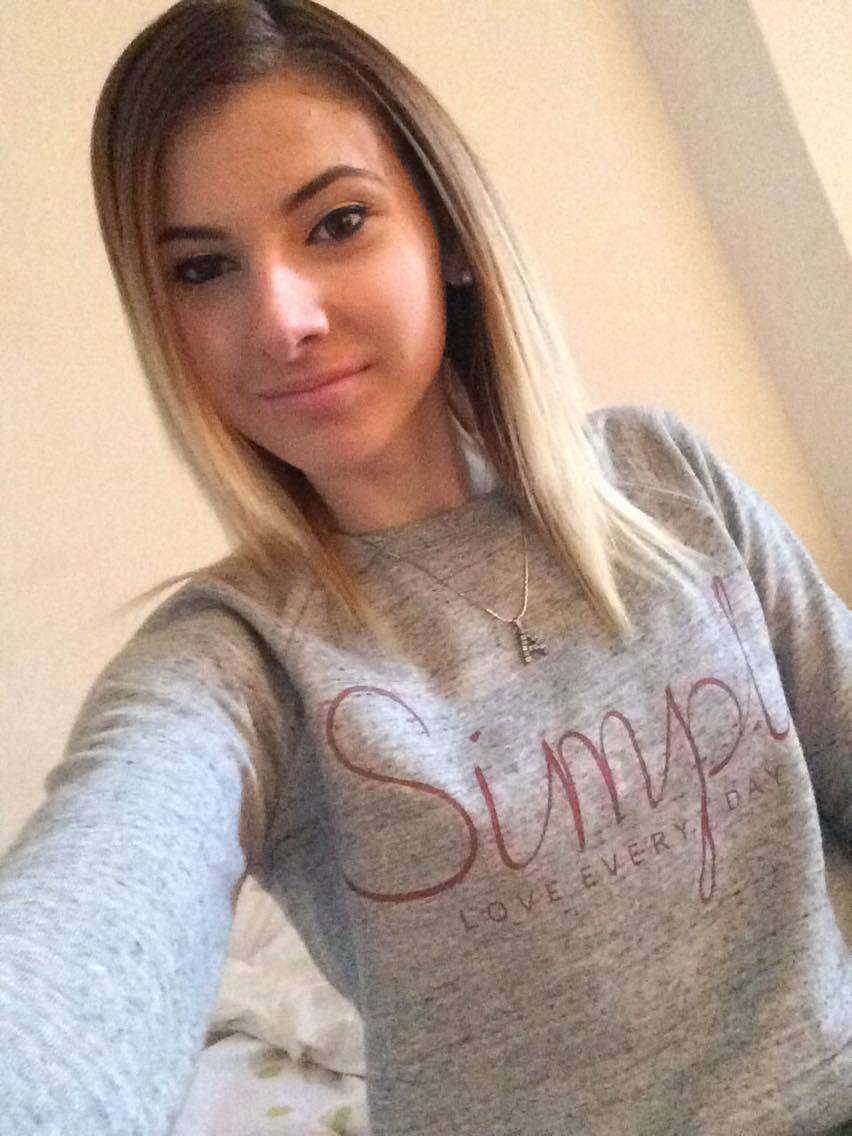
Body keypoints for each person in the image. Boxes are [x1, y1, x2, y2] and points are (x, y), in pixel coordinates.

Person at [0, 1, 850, 1133]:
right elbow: (83, 926)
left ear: (445, 233)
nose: (281, 317)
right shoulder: (238, 660)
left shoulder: (664, 482)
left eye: (337, 222)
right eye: (202, 269)